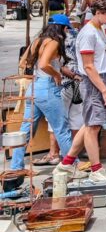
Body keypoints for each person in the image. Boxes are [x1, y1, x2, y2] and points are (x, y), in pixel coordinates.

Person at [53, 0, 106, 185]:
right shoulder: (88, 33)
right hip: (93, 81)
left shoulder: (97, 29)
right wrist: (104, 90)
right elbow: (89, 66)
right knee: (93, 126)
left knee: (91, 123)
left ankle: (66, 164)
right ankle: (96, 169)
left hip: (100, 79)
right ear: (99, 12)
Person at [10, 15, 76, 173]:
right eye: (66, 29)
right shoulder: (53, 42)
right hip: (47, 88)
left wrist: (65, 73)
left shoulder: (38, 40)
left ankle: (16, 167)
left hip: (34, 86)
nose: (67, 32)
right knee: (61, 128)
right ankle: (71, 164)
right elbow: (44, 63)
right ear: (62, 28)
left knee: (26, 130)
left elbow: (23, 62)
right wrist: (56, 75)